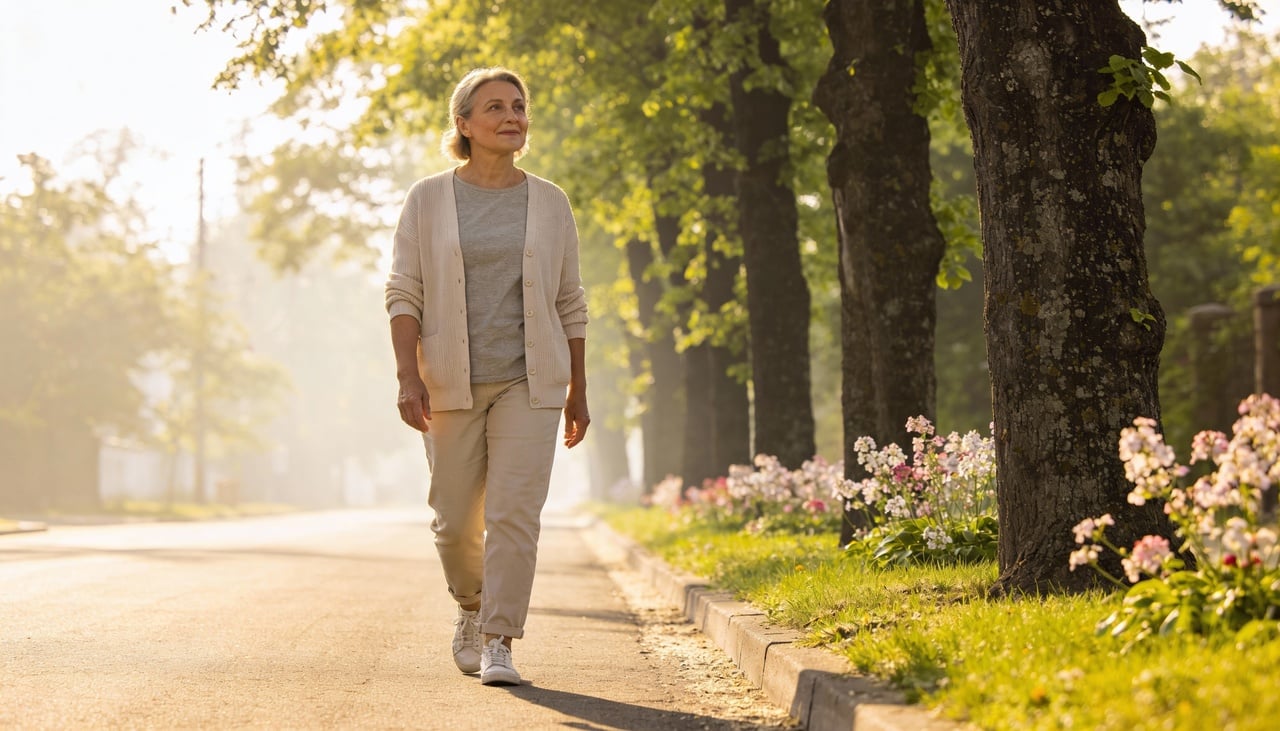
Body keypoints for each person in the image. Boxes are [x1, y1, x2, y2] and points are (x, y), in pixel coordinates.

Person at [384, 66, 590, 687]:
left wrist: (579, 387)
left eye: (519, 106)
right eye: (495, 107)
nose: (511, 117)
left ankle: (500, 638)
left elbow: (570, 300)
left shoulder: (550, 201)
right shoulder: (428, 198)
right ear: (464, 125)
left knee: (513, 514)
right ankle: (471, 608)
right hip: (449, 381)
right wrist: (406, 375)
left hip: (531, 381)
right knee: (453, 520)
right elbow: (404, 291)